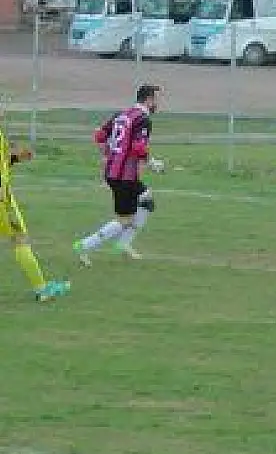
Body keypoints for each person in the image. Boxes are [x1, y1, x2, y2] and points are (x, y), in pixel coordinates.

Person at [74, 83, 164, 266]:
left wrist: (109, 154)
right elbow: (138, 148)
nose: (157, 104)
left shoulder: (121, 114)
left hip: (115, 172)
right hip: (124, 176)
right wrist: (153, 164)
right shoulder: (143, 119)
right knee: (125, 219)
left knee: (147, 201)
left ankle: (123, 244)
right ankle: (84, 246)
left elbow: (99, 136)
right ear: (148, 100)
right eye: (155, 100)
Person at [0, 110, 70, 302]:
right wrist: (6, 206)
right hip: (2, 201)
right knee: (19, 239)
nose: (2, 112)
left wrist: (14, 158)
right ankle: (42, 289)